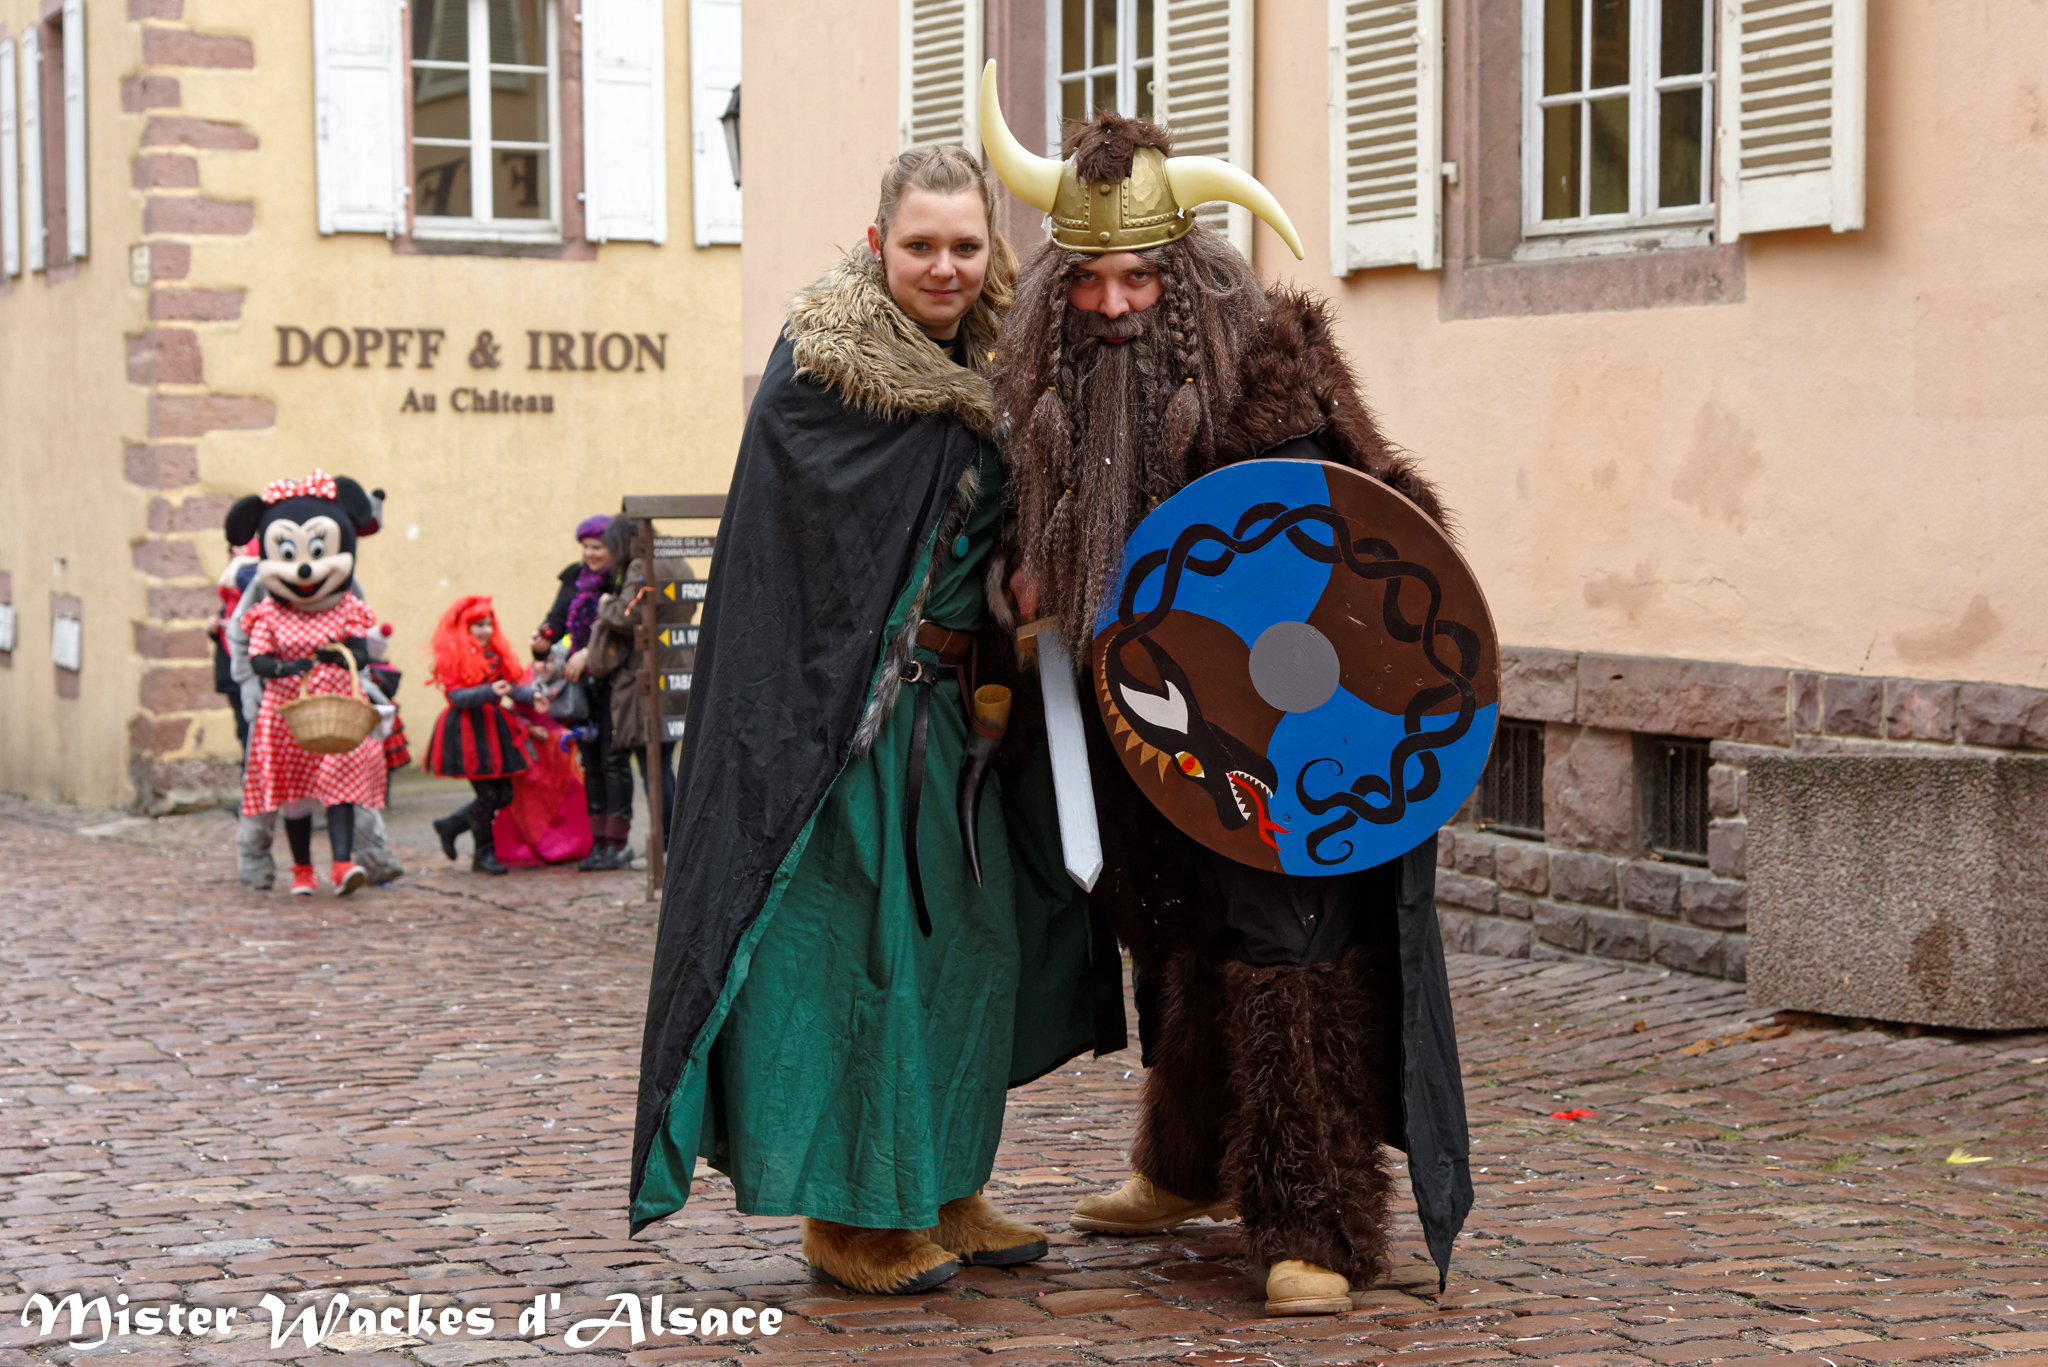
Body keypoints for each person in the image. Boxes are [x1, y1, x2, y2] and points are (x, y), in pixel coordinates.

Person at [980, 76, 1473, 1314]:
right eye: (1087, 282)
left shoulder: (1271, 385)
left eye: (1136, 279)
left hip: (1282, 732)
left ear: (1182, 273)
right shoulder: (1042, 389)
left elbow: (1366, 553)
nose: (1110, 307)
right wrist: (1017, 579)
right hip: (1140, 711)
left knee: (1280, 946)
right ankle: (1184, 1161)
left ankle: (1314, 1221)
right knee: (1174, 931)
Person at [630, 146, 1105, 1297]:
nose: (942, 267)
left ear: (991, 251)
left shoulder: (1003, 364)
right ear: (877, 243)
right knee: (866, 957)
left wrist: (1018, 585)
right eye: (919, 245)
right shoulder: (821, 375)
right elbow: (808, 574)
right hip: (841, 730)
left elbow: (990, 533)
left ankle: (944, 1183)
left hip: (963, 718)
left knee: (970, 949)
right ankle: (851, 1216)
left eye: (964, 245)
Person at [534, 516, 635, 870]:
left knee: (614, 761)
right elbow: (557, 620)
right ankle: (598, 842)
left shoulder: (622, 580)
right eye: (586, 548)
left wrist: (586, 655)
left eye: (597, 548)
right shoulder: (573, 579)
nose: (590, 554)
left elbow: (621, 630)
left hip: (613, 683)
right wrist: (543, 640)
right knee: (591, 762)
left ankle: (618, 843)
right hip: (581, 687)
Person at [426, 597, 543, 875]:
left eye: (489, 624)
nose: (486, 630)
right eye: (478, 625)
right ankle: (483, 855)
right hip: (467, 732)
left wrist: (532, 695)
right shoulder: (453, 657)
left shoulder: (494, 653)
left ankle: (452, 825)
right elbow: (456, 696)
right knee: (489, 795)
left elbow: (511, 686)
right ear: (464, 628)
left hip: (494, 728)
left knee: (504, 794)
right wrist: (490, 692)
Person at [588, 516, 679, 825]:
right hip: (677, 665)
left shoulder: (642, 566)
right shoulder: (675, 560)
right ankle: (675, 836)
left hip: (648, 672)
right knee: (664, 763)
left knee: (653, 767)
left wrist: (605, 603)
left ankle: (667, 840)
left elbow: (627, 615)